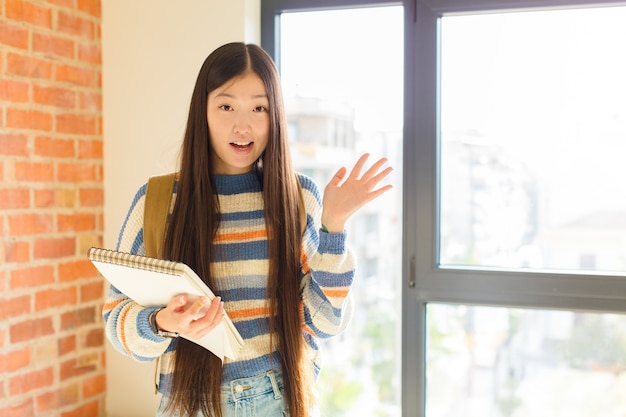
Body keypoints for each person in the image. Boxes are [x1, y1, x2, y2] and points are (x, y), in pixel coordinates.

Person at [102, 42, 393, 417]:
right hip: (191, 403)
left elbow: (325, 323)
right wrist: (162, 322)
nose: (243, 125)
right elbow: (116, 321)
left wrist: (333, 227)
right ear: (202, 112)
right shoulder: (158, 201)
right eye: (226, 106)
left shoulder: (300, 197)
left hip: (281, 398)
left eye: (259, 108)